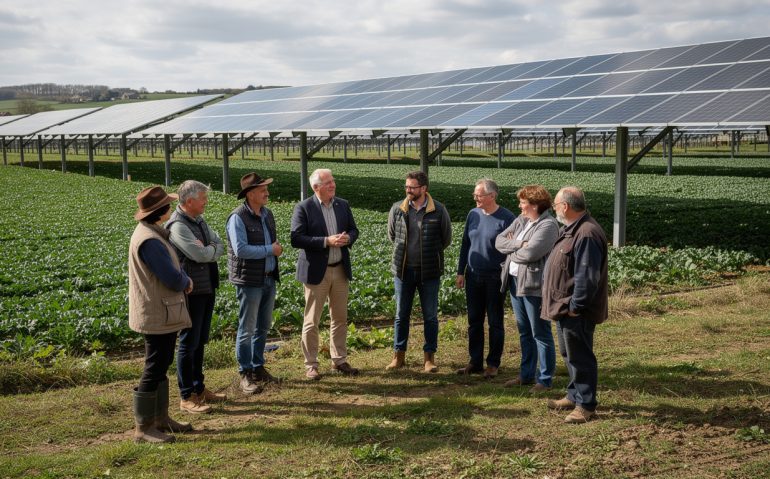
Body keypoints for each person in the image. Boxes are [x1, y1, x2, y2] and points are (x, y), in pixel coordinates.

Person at [128, 186, 194, 443]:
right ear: (162, 211)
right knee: (154, 365)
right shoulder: (150, 240)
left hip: (158, 311)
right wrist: (186, 281)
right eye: (168, 204)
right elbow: (170, 276)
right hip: (157, 312)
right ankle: (143, 429)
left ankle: (160, 419)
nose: (170, 207)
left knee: (161, 362)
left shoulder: (149, 233)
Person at [541, 186, 608, 423]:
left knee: (580, 355)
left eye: (556, 205)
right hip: (564, 307)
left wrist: (575, 306)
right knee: (568, 353)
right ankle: (574, 394)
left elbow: (587, 277)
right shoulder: (571, 229)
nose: (554, 209)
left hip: (575, 310)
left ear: (566, 206)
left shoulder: (587, 233)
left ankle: (586, 405)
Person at [290, 168, 360, 380]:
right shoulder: (304, 207)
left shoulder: (342, 205)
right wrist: (325, 241)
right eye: (328, 182)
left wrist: (349, 238)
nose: (333, 185)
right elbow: (296, 238)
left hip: (339, 268)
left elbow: (354, 229)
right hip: (316, 272)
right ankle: (311, 364)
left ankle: (338, 360)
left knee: (339, 317)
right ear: (316, 187)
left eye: (333, 181)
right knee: (312, 320)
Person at [167, 180, 226, 414]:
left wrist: (209, 249)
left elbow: (218, 243)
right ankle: (186, 395)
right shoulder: (178, 225)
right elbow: (199, 254)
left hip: (206, 287)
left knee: (200, 340)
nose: (206, 202)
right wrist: (209, 250)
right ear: (189, 201)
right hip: (191, 290)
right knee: (188, 342)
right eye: (203, 199)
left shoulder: (198, 220)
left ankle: (199, 388)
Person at [495, 185, 559, 392]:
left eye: (523, 203)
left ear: (535, 205)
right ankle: (526, 375)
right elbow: (498, 241)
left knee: (540, 332)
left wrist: (513, 250)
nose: (520, 206)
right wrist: (520, 243)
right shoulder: (522, 220)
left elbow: (530, 254)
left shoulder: (548, 226)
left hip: (533, 285)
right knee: (524, 331)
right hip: (515, 282)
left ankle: (545, 379)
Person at [386, 170, 451, 373]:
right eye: (406, 186)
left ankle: (429, 358)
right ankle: (398, 356)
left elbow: (446, 238)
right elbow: (392, 235)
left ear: (424, 188)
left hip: (429, 272)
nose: (408, 190)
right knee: (400, 315)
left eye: (412, 187)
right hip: (403, 271)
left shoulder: (439, 210)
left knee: (430, 316)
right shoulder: (398, 209)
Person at [226, 173, 283, 394]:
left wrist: (274, 249)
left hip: (268, 277)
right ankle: (245, 373)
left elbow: (270, 243)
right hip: (249, 280)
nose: (267, 193)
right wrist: (271, 250)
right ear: (250, 194)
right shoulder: (237, 217)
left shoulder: (267, 214)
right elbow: (241, 250)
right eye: (262, 190)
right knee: (247, 328)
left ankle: (258, 367)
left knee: (263, 325)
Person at [455, 179, 514, 378]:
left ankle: (493, 363)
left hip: (495, 277)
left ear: (492, 196)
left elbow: (514, 249)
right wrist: (460, 271)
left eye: (478, 195)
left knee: (495, 321)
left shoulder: (506, 218)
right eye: (475, 195)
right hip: (473, 275)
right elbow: (465, 243)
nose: (475, 198)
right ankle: (475, 361)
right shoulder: (473, 214)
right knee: (474, 321)